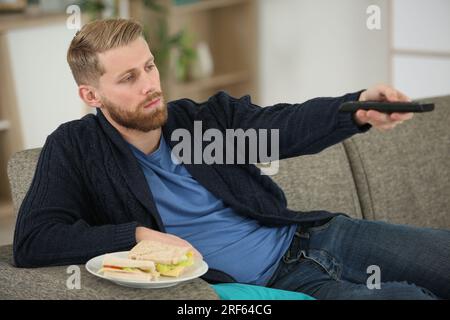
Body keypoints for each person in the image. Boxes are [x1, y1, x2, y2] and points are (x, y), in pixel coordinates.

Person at [13, 18, 449, 300]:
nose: (150, 84)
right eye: (129, 77)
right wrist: (139, 234)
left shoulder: (200, 123)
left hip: (312, 239)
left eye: (149, 66)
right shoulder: (76, 148)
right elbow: (35, 241)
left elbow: (282, 127)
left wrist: (355, 106)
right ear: (91, 95)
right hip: (268, 286)